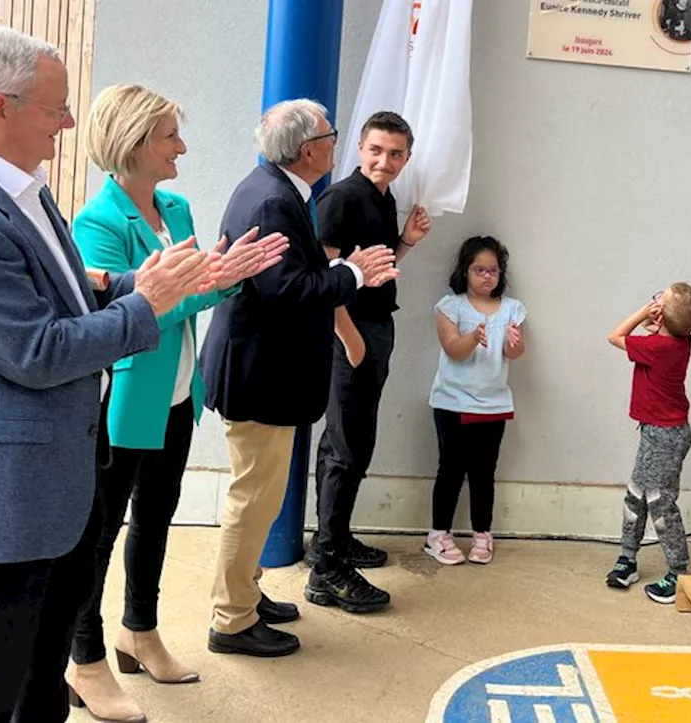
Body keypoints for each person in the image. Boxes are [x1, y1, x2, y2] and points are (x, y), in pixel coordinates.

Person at [0, 27, 261, 723]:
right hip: (7, 491)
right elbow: (37, 349)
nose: (69, 122)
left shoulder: (18, 187)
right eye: (55, 108)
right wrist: (147, 304)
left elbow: (66, 292)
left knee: (40, 670)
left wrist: (137, 281)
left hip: (51, 476)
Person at [66, 84, 290, 721]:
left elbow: (186, 298)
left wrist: (223, 278)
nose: (182, 147)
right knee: (99, 536)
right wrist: (211, 281)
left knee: (157, 518)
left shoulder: (178, 207)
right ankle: (84, 662)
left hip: (177, 395)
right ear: (135, 144)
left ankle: (140, 631)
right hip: (127, 401)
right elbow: (130, 314)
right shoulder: (99, 223)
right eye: (170, 136)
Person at [199, 99, 399, 655]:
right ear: (310, 149)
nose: (337, 144)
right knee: (253, 499)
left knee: (258, 498)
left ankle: (245, 593)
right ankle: (232, 620)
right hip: (261, 375)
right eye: (332, 136)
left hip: (264, 372)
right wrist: (354, 274)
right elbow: (287, 292)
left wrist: (340, 270)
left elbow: (290, 277)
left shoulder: (278, 189)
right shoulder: (273, 200)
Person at [306, 111, 431, 593]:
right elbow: (325, 276)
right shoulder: (341, 197)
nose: (385, 160)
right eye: (377, 150)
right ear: (360, 148)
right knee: (345, 445)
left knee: (352, 442)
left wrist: (406, 243)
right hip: (351, 334)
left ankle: (332, 540)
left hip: (377, 327)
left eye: (396, 153)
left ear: (407, 157)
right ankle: (328, 570)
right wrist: (349, 337)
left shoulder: (384, 197)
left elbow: (377, 269)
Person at [424, 236, 526, 566]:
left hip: (493, 404)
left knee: (484, 472)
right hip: (452, 402)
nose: (487, 276)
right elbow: (453, 348)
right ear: (465, 271)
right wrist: (473, 337)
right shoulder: (449, 306)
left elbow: (515, 353)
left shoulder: (512, 308)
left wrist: (513, 342)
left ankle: (482, 533)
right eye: (479, 269)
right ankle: (439, 533)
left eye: (493, 270)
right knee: (450, 469)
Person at [603, 282, 691, 604]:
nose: (653, 301)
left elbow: (614, 336)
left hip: (665, 436)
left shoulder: (659, 349)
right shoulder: (680, 340)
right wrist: (657, 318)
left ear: (660, 317)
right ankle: (628, 559)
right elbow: (658, 331)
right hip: (658, 432)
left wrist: (642, 313)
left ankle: (679, 574)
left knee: (660, 504)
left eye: (658, 300)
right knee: (636, 496)